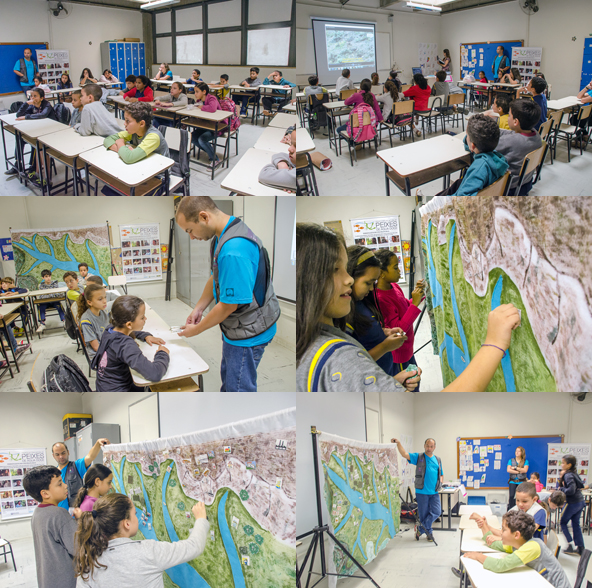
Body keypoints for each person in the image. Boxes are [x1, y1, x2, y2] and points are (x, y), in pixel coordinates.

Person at [296, 223, 521, 392]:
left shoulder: (323, 335)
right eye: (337, 270)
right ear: (309, 280)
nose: (348, 280)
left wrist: (390, 384)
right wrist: (494, 343)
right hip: (399, 353)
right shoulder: (340, 357)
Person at [175, 197, 280, 392]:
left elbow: (228, 305)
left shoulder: (233, 250)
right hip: (242, 326)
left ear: (204, 217)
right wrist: (199, 308)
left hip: (248, 333)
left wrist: (196, 330)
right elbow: (216, 276)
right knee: (231, 381)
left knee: (237, 390)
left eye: (190, 230)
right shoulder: (227, 231)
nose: (191, 237)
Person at [74, 494, 209, 588]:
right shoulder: (148, 551)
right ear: (126, 523)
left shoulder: (89, 562)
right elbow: (194, 547)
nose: (136, 516)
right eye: (134, 513)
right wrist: (201, 519)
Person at [343, 246, 408, 377]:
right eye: (368, 283)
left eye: (374, 282)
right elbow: (355, 364)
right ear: (350, 277)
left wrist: (384, 331)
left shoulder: (363, 301)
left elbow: (365, 331)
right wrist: (385, 346)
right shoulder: (346, 314)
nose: (372, 289)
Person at [463, 510, 571, 588]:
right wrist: (483, 524)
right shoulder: (518, 544)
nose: (500, 533)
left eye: (504, 530)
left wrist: (478, 556)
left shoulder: (532, 547)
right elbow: (493, 544)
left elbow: (500, 565)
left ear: (516, 535)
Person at [92, 295, 169, 392]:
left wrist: (145, 336)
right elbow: (155, 374)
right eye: (142, 317)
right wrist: (162, 354)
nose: (145, 319)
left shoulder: (110, 329)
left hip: (104, 387)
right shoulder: (125, 344)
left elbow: (128, 330)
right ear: (128, 324)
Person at [374, 249, 425, 390]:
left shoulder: (395, 287)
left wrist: (417, 297)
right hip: (399, 354)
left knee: (415, 380)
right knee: (409, 386)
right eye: (395, 268)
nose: (399, 271)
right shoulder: (381, 298)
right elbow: (399, 329)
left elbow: (404, 308)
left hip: (407, 349)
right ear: (382, 273)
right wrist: (414, 303)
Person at [22, 465, 79, 588]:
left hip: (48, 579)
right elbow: (79, 548)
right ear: (45, 493)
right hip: (64, 580)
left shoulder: (37, 513)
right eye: (59, 484)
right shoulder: (59, 514)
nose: (65, 485)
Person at [392, 438, 443, 541]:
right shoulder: (419, 457)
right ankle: (429, 533)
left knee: (437, 511)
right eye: (427, 446)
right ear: (424, 445)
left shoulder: (438, 459)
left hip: (434, 492)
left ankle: (420, 528)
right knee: (423, 515)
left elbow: (441, 474)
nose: (429, 448)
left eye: (431, 446)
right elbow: (405, 454)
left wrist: (440, 483)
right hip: (422, 491)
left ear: (434, 447)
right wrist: (398, 443)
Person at [494, 99, 542, 195]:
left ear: (516, 121)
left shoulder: (512, 141)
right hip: (525, 182)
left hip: (508, 187)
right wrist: (494, 129)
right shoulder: (535, 135)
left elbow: (486, 146)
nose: (508, 117)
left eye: (509, 115)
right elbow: (510, 133)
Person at [452, 114, 509, 196]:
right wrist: (470, 140)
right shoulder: (498, 157)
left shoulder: (479, 168)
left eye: (467, 136)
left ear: (472, 146)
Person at [51, 437, 110, 510]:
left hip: (76, 513)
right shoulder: (53, 474)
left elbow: (90, 457)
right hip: (60, 513)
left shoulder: (76, 466)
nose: (61, 457)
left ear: (68, 452)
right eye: (57, 454)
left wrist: (98, 443)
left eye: (63, 453)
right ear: (53, 455)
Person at [104, 102, 170, 165]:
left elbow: (129, 158)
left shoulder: (153, 136)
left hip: (159, 174)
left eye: (128, 121)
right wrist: (121, 150)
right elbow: (108, 139)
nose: (124, 124)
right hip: (143, 166)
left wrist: (120, 143)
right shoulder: (134, 131)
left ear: (141, 123)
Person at [188, 82, 223, 170]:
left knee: (202, 139)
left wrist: (200, 107)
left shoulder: (212, 98)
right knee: (192, 137)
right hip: (206, 125)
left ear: (204, 91)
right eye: (194, 92)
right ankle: (209, 151)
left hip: (217, 127)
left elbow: (212, 108)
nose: (195, 94)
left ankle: (215, 159)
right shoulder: (199, 101)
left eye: (197, 92)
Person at [558, 453, 586, 556]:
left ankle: (569, 545)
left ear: (569, 465)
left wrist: (561, 489)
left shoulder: (568, 475)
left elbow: (570, 490)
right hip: (580, 501)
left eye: (563, 463)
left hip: (573, 502)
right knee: (575, 524)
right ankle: (580, 547)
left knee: (563, 522)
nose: (561, 465)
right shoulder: (573, 473)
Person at [78, 283, 109, 359]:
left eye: (105, 297)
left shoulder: (104, 312)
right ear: (89, 302)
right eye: (100, 299)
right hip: (98, 355)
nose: (105, 301)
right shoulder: (86, 320)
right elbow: (96, 347)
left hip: (107, 347)